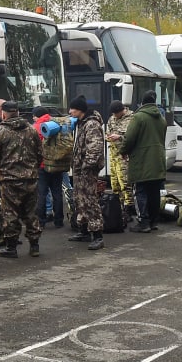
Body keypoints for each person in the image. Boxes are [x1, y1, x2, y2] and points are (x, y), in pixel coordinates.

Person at [0, 101, 43, 258]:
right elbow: (40, 153)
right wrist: (32, 168)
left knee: (10, 212)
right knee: (31, 212)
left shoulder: (0, 131)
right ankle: (34, 245)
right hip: (30, 178)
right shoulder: (31, 130)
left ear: (3, 113)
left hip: (9, 179)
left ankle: (11, 247)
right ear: (18, 112)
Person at [121, 91, 169, 232]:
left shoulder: (138, 117)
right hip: (158, 159)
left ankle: (144, 221)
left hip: (142, 159)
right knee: (154, 192)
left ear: (142, 103)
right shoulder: (161, 118)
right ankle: (154, 221)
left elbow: (129, 138)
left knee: (141, 190)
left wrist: (123, 151)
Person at [67, 95, 106, 250]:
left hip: (87, 170)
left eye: (72, 109)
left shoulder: (91, 124)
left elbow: (95, 148)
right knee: (79, 199)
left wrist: (86, 166)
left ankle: (97, 235)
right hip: (80, 169)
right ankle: (83, 230)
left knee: (89, 201)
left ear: (80, 110)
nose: (70, 111)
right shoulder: (82, 123)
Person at [33, 104, 66, 230]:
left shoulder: (36, 128)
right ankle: (59, 220)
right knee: (57, 192)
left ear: (37, 116)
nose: (33, 119)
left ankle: (41, 221)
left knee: (41, 193)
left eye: (34, 116)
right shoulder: (57, 123)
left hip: (42, 165)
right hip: (57, 164)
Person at [105, 100, 135, 214]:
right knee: (115, 183)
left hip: (124, 156)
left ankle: (129, 206)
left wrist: (120, 137)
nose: (114, 116)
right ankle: (118, 206)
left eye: (115, 113)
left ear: (121, 111)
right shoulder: (111, 119)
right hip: (113, 154)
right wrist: (108, 137)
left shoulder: (131, 118)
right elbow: (107, 132)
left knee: (125, 182)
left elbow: (131, 136)